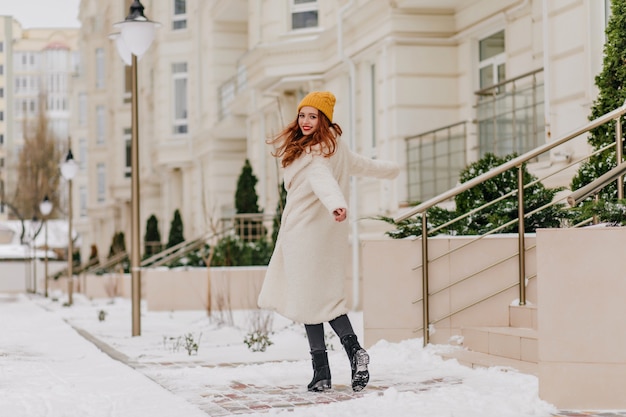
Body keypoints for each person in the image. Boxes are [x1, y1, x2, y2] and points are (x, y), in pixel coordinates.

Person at [257, 91, 400, 392]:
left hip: (305, 233)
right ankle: (347, 357)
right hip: (327, 233)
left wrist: (336, 203)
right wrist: (390, 170)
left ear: (324, 119)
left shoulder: (316, 154)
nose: (306, 121)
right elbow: (362, 165)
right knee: (322, 298)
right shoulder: (336, 148)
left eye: (313, 116)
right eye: (302, 115)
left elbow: (323, 179)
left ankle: (326, 368)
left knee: (310, 300)